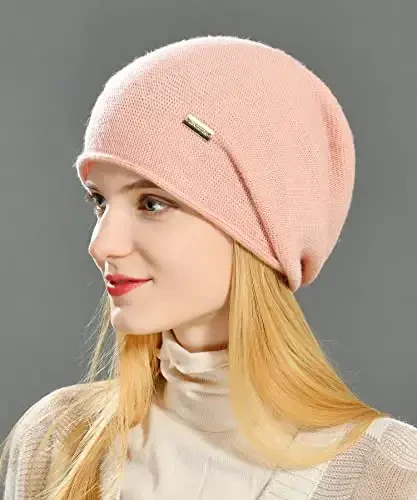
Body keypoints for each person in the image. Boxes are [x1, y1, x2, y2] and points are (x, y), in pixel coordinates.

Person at [1, 34, 416, 500]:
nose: (102, 244)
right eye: (100, 201)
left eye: (152, 203)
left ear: (262, 229)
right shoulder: (56, 442)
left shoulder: (390, 475)